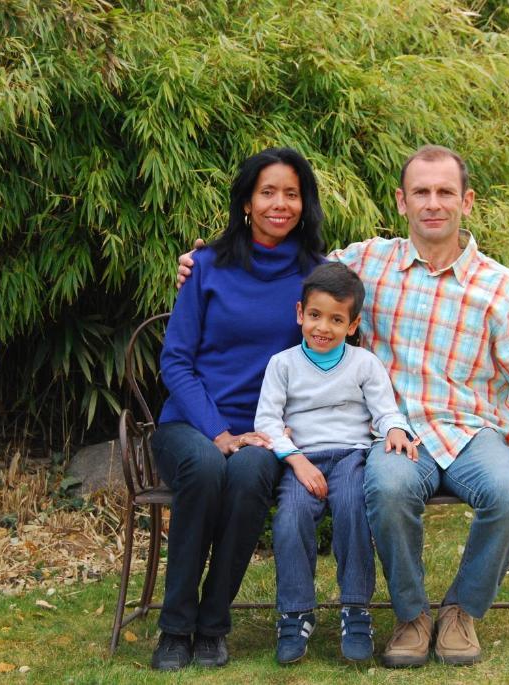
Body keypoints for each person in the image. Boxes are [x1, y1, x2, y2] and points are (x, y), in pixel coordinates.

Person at [178, 145, 509, 667]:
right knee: (388, 489)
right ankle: (413, 616)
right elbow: (284, 267)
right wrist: (206, 263)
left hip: (470, 431)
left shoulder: (500, 287)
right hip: (393, 435)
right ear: (402, 201)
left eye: (445, 192)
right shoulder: (366, 262)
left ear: (467, 201)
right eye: (421, 192)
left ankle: (461, 611)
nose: (432, 204)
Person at [150, 147, 325, 671]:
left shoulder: (318, 272)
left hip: (267, 431)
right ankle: (175, 628)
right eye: (267, 192)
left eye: (291, 194)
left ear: (304, 203)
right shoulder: (206, 266)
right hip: (189, 421)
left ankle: (212, 622)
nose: (280, 204)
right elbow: (175, 362)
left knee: (250, 473)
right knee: (205, 467)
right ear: (247, 201)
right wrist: (218, 431)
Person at [253, 262, 418, 665]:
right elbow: (267, 421)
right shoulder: (283, 364)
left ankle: (356, 610)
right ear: (299, 314)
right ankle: (295, 614)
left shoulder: (363, 363)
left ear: (353, 324)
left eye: (336, 319)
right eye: (314, 315)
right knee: (289, 518)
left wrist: (395, 428)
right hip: (301, 460)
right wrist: (294, 460)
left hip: (350, 456)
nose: (322, 327)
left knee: (352, 512)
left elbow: (384, 409)